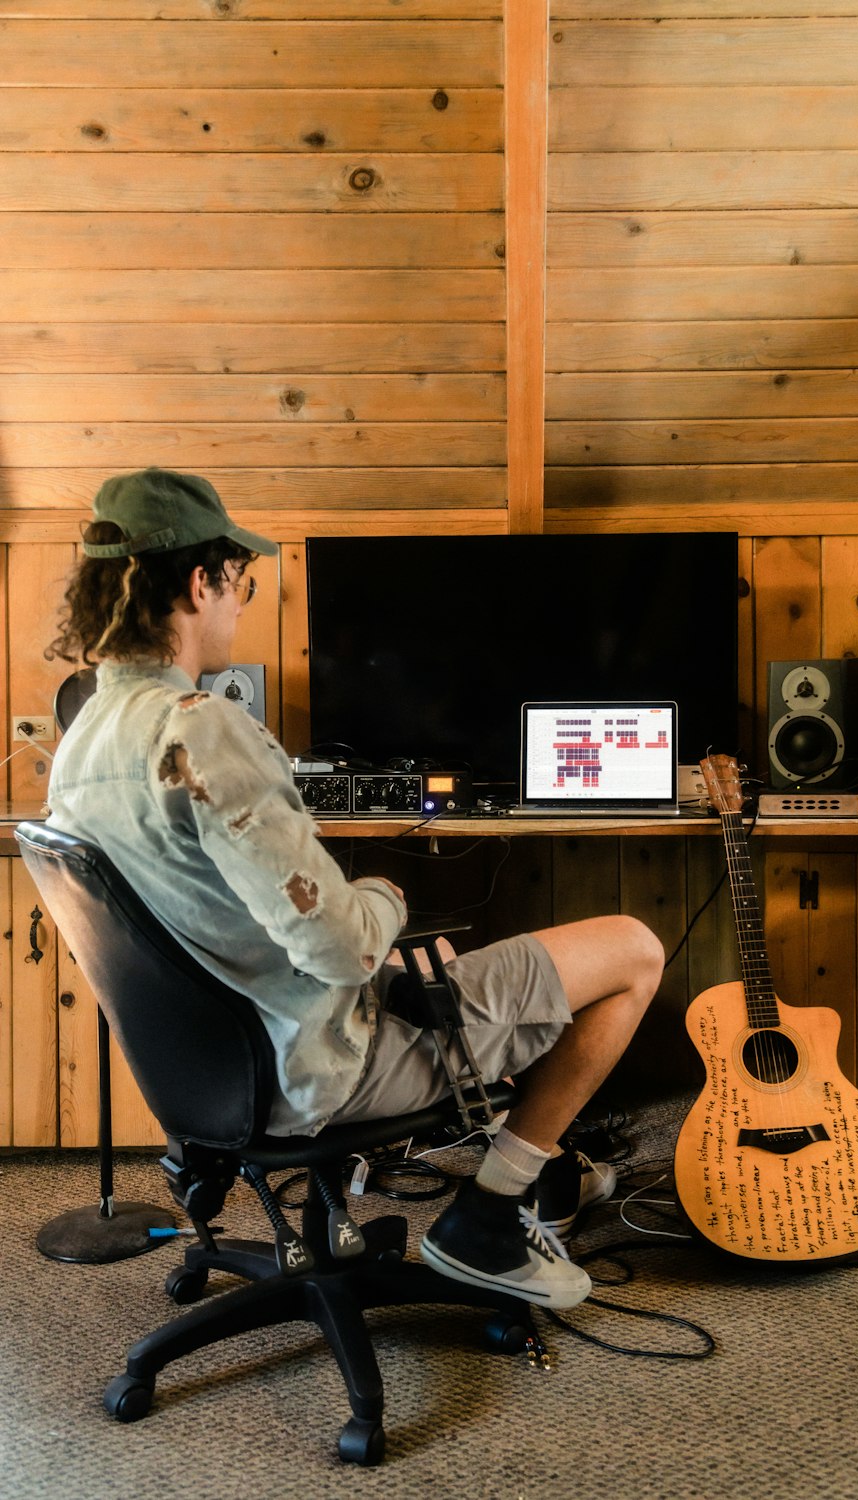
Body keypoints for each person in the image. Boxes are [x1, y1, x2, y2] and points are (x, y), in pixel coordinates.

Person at [44, 467, 665, 1311]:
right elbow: (340, 945)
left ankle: (543, 1181)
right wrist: (386, 896)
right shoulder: (199, 726)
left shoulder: (78, 750)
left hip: (220, 1076)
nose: (239, 603)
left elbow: (213, 928)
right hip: (322, 1069)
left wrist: (383, 959)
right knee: (633, 949)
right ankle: (490, 1212)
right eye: (240, 583)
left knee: (435, 965)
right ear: (201, 581)